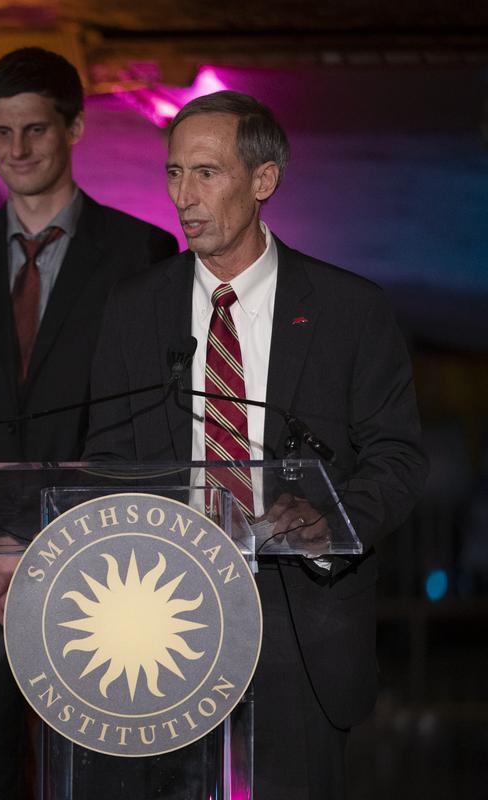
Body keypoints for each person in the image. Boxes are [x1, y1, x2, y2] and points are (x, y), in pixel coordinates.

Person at [84, 90, 427, 799]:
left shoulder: (349, 311)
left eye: (206, 172)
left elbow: (396, 456)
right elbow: (109, 459)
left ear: (263, 180)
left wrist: (332, 522)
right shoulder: (133, 311)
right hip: (164, 620)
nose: (184, 195)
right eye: (174, 173)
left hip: (300, 623)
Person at [0, 47, 178, 799]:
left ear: (75, 128)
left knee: (94, 785)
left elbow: (137, 425)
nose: (18, 150)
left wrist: (49, 549)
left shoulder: (143, 255)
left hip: (93, 577)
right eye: (2, 133)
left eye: (35, 129)